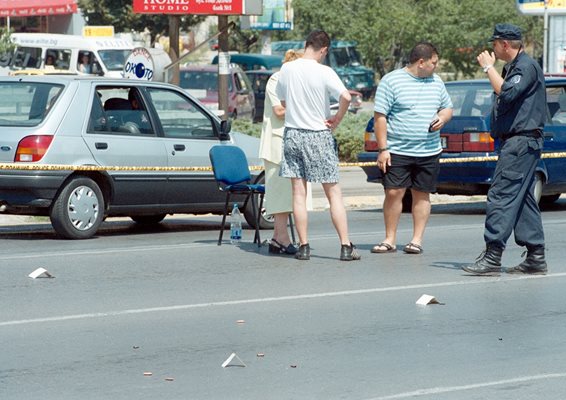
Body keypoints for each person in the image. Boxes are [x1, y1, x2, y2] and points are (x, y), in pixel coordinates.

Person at [463, 23, 547, 275]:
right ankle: (535, 256)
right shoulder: (515, 67)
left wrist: (488, 68)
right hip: (518, 141)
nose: (492, 49)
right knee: (521, 198)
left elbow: (506, 93)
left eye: (495, 44)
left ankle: (492, 256)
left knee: (501, 194)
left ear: (505, 44)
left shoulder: (525, 67)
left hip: (520, 142)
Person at [276, 29, 360, 262]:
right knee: (333, 192)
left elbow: (283, 101)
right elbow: (345, 96)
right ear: (323, 50)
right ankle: (345, 245)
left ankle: (304, 246)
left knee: (299, 193)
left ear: (306, 45)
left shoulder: (286, 69)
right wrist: (337, 119)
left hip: (293, 133)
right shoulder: (324, 71)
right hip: (318, 134)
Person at [372, 42, 453, 255]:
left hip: (428, 150)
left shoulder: (436, 82)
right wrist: (383, 149)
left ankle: (416, 240)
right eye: (434, 62)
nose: (436, 66)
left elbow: (447, 107)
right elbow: (380, 117)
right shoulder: (391, 81)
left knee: (422, 193)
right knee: (394, 192)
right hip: (397, 150)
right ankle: (390, 239)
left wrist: (442, 118)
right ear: (421, 62)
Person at [259, 49, 303, 255]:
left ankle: (278, 238)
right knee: (280, 192)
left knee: (289, 193)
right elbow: (279, 111)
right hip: (277, 143)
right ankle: (281, 237)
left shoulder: (295, 82)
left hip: (293, 141)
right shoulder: (276, 80)